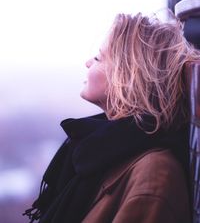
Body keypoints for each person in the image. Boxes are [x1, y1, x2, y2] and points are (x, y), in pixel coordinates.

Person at [24, 11, 200, 223]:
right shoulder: (101, 150)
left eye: (98, 57)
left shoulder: (154, 175)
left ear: (127, 75)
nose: (88, 62)